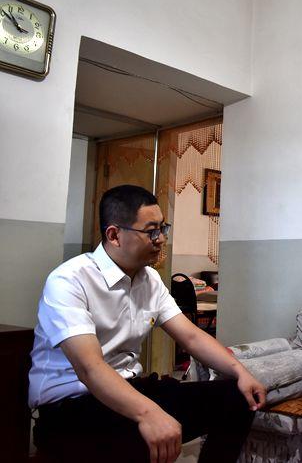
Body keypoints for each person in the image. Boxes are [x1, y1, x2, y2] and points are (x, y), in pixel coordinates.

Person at [29, 185, 267, 463]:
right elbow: (89, 368)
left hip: (130, 388)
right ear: (114, 235)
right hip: (72, 405)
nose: (161, 239)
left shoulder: (149, 279)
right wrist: (149, 413)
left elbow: (191, 337)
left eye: (163, 228)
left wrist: (240, 372)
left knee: (238, 398)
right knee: (141, 434)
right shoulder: (69, 280)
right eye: (152, 231)